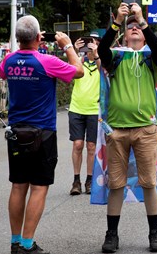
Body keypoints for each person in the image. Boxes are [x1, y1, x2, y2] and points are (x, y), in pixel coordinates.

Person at [1, 17, 83, 254]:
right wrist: (67, 45)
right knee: (38, 187)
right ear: (39, 38)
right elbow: (78, 71)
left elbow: (3, 73)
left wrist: (29, 40)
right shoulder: (47, 61)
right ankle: (27, 244)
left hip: (16, 131)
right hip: (42, 133)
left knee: (18, 186)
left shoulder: (8, 60)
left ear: (18, 39)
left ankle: (15, 241)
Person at [96, 3, 157, 253]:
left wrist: (141, 19)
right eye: (131, 28)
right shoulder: (115, 57)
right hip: (118, 130)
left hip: (146, 129)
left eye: (139, 29)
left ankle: (154, 232)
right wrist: (117, 21)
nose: (135, 29)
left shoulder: (150, 60)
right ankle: (112, 234)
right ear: (124, 36)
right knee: (116, 184)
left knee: (149, 183)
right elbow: (102, 48)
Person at [67, 34, 102, 196]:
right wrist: (74, 50)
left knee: (91, 146)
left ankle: (89, 180)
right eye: (87, 43)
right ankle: (76, 181)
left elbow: (103, 69)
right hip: (76, 108)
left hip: (94, 111)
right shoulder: (79, 62)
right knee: (78, 145)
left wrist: (95, 54)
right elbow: (69, 69)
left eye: (92, 43)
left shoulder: (99, 61)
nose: (89, 46)